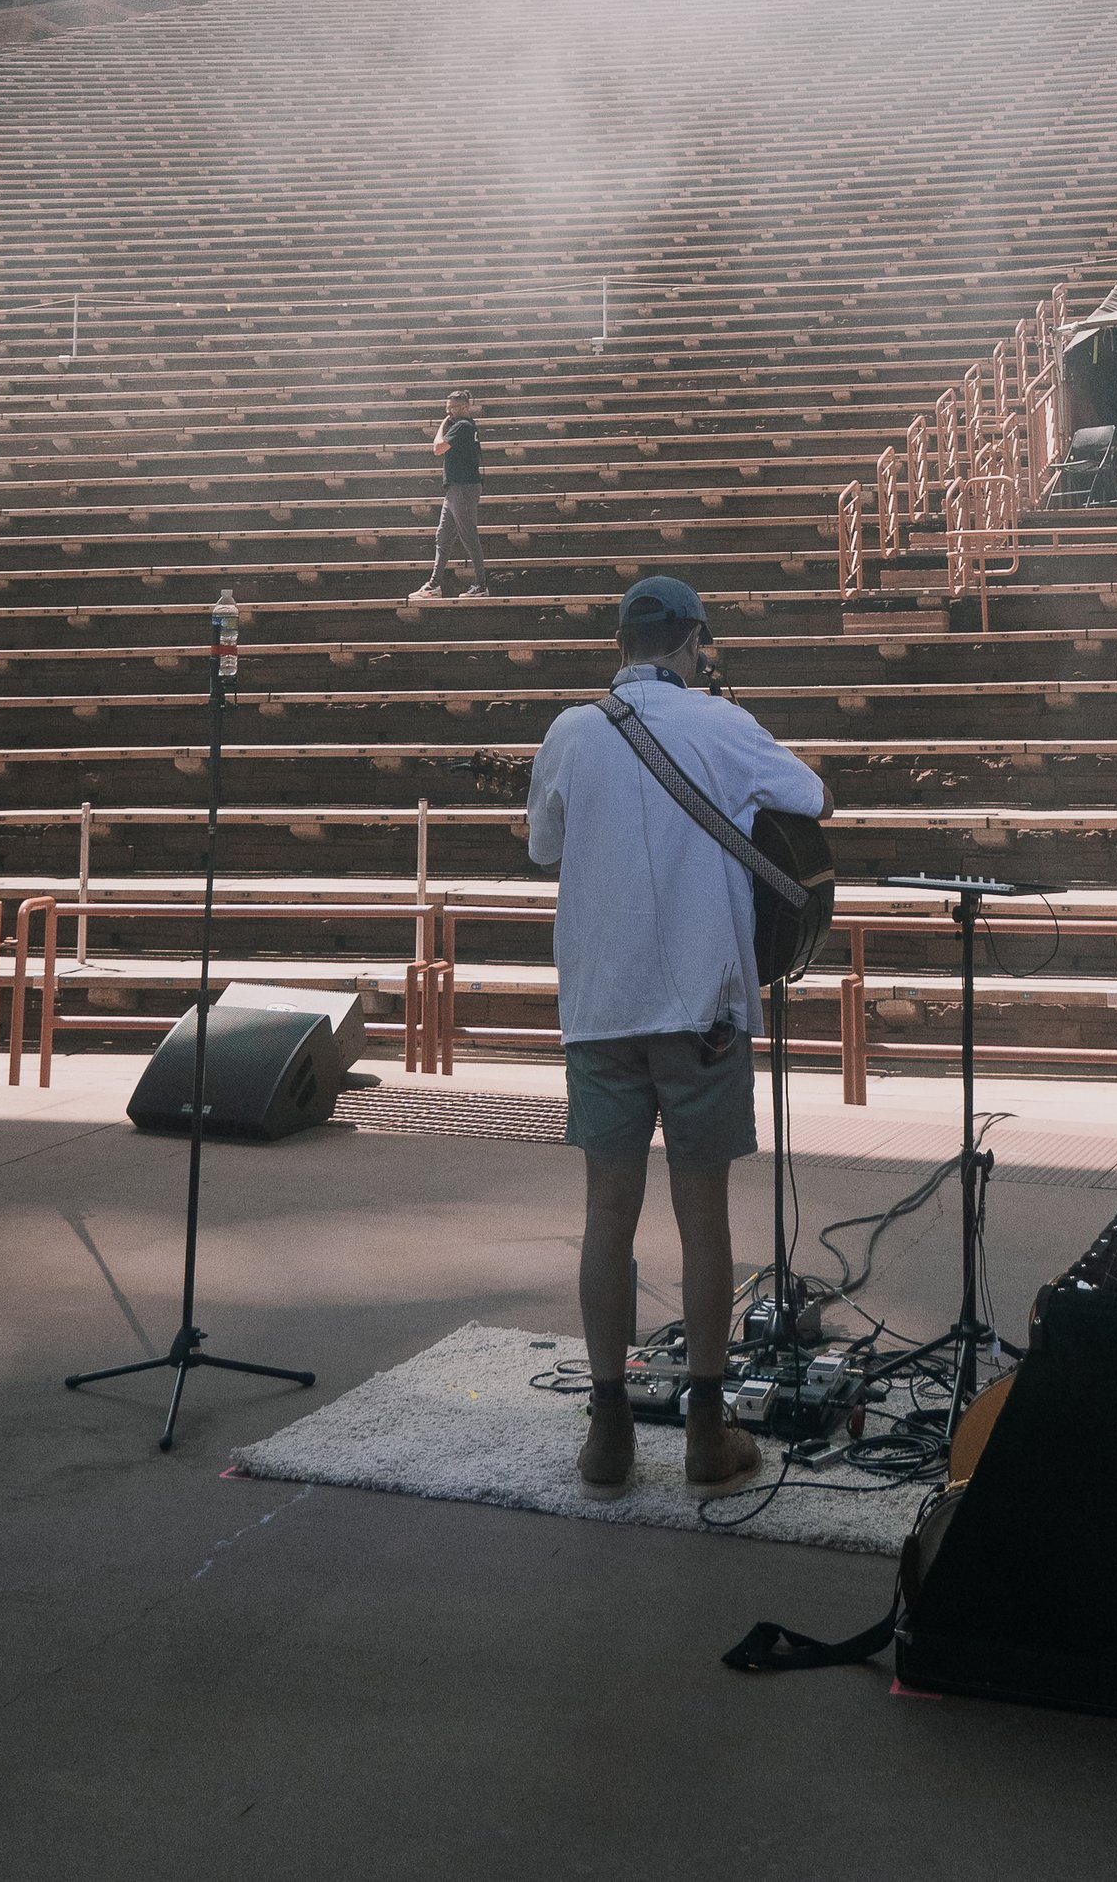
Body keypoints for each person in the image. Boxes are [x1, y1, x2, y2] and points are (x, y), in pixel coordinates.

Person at [526, 573, 830, 1496]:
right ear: (695, 643)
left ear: (620, 645)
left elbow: (544, 845)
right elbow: (812, 797)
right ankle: (705, 1431)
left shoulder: (572, 731)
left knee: (606, 1216)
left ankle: (608, 1434)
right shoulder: (721, 723)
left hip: (602, 1009)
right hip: (703, 1009)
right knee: (704, 1222)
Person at [411, 391, 489, 602]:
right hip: (455, 489)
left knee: (469, 536)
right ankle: (434, 585)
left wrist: (442, 425)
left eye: (452, 408)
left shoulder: (462, 426)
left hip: (463, 488)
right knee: (443, 537)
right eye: (447, 408)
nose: (448, 412)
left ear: (464, 407)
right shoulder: (464, 425)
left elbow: (438, 448)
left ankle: (481, 585)